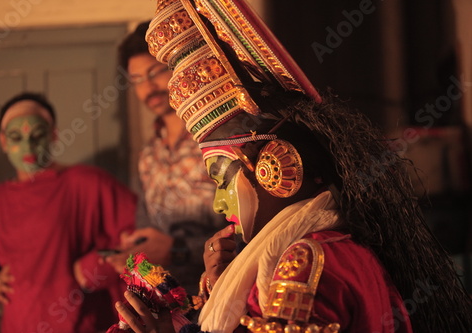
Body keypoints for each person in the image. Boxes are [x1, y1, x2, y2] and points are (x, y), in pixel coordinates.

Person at [112, 0, 472, 332]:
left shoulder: (303, 262)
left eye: (222, 182)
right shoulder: (320, 245)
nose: (218, 204)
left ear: (277, 166)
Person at [0, 92, 137, 333]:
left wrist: (94, 269)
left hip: (81, 321)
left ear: (53, 135)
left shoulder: (88, 183)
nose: (28, 146)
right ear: (3, 142)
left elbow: (141, 236)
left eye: (37, 136)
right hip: (18, 323)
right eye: (16, 137)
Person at [106, 21, 226, 296]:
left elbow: (250, 233)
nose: (148, 88)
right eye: (137, 80)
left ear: (178, 69)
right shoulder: (149, 155)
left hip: (223, 292)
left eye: (155, 73)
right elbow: (145, 228)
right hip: (169, 300)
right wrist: (135, 250)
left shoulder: (216, 139)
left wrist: (178, 250)